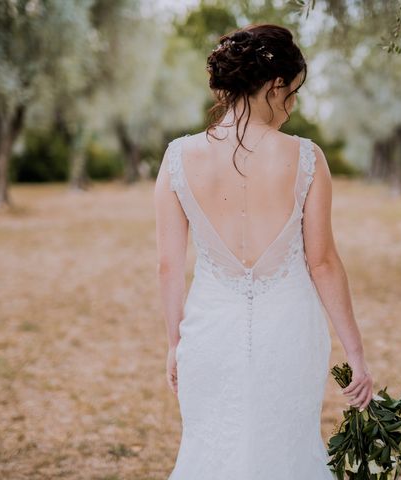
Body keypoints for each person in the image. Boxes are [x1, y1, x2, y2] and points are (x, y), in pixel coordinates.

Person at [154, 23, 373, 480]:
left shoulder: (178, 157)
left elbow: (169, 265)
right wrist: (355, 352)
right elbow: (323, 262)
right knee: (289, 454)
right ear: (275, 86)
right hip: (290, 333)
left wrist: (175, 343)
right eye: (291, 93)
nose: (291, 108)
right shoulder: (307, 158)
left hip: (208, 336)